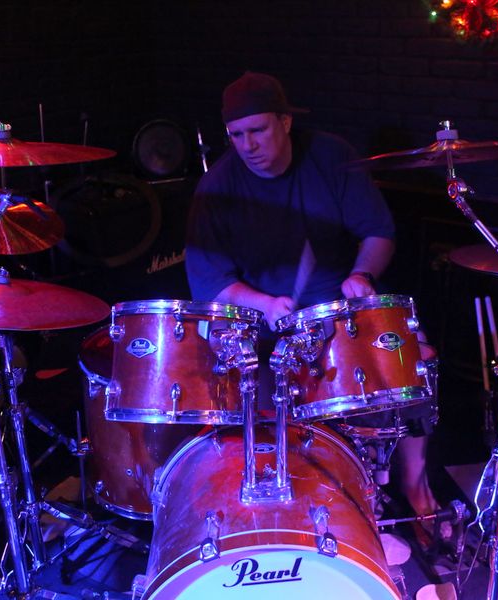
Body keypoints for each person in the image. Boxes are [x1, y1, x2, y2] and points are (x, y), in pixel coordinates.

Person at [184, 71, 439, 522]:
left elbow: (377, 232)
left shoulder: (331, 156)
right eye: (236, 135)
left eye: (257, 130)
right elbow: (210, 282)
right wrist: (264, 303)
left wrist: (362, 273)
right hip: (261, 322)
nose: (247, 146)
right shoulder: (217, 187)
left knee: (415, 357)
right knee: (256, 400)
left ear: (285, 122)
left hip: (337, 309)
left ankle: (416, 488)